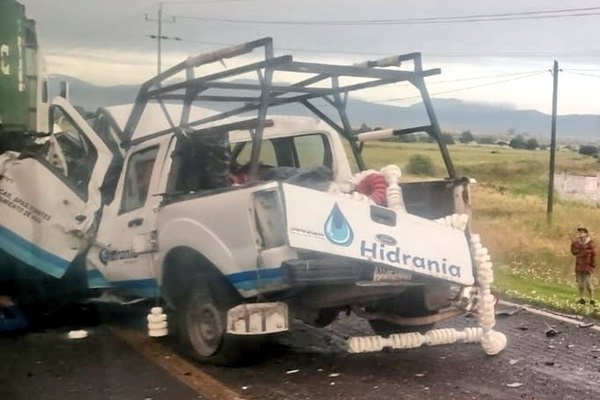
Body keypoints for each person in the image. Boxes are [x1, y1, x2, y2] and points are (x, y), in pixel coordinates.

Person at [570, 227, 596, 305]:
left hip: (587, 266)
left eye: (582, 232)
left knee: (588, 283)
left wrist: (593, 264)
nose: (580, 234)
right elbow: (574, 252)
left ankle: (592, 299)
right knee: (580, 284)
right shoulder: (576, 243)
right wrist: (572, 244)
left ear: (586, 234)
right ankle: (581, 298)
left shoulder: (590, 243)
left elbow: (593, 254)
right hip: (579, 265)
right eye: (579, 233)